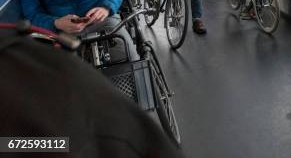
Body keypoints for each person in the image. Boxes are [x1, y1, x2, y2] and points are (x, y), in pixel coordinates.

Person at [0, 27, 184, 157]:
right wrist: (55, 22)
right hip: (58, 25)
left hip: (99, 18)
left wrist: (104, 8)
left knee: (131, 59)